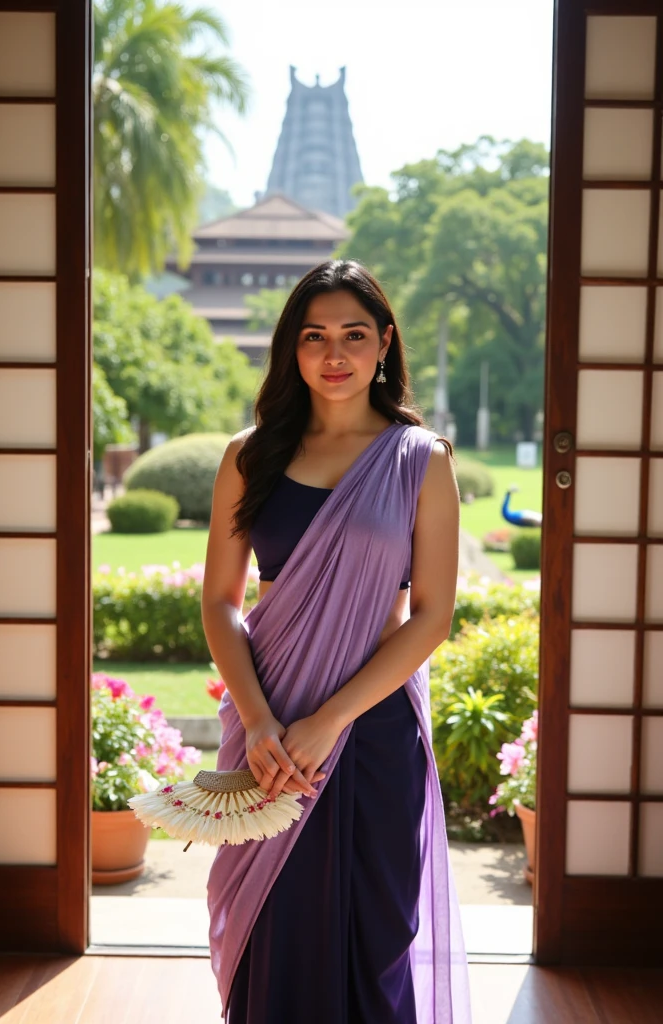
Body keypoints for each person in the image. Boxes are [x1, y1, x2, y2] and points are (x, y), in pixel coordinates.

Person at [201, 259, 472, 1023]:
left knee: (376, 930)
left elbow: (431, 616)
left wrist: (332, 720)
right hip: (269, 728)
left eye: (354, 335)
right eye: (314, 336)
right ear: (291, 348)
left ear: (384, 343)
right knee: (271, 925)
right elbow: (221, 605)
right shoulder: (249, 457)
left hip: (374, 727)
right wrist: (259, 721)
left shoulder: (423, 461)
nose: (335, 353)